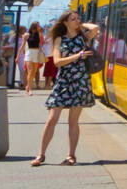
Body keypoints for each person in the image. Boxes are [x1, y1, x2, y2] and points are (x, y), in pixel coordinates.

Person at [31, 11, 99, 166]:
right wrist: (78, 56)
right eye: (72, 19)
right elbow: (57, 62)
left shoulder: (83, 37)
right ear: (65, 23)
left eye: (77, 19)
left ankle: (71, 155)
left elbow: (95, 28)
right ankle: (40, 155)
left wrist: (80, 25)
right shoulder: (59, 40)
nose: (76, 21)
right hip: (63, 82)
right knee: (51, 119)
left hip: (80, 81)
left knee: (73, 121)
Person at [23, 22, 44, 94]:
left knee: (34, 71)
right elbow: (23, 45)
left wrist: (42, 52)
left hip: (36, 53)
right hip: (29, 53)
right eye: (38, 26)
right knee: (30, 71)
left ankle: (28, 86)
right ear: (34, 27)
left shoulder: (39, 34)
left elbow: (40, 44)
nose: (39, 27)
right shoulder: (27, 35)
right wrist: (19, 56)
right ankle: (30, 88)